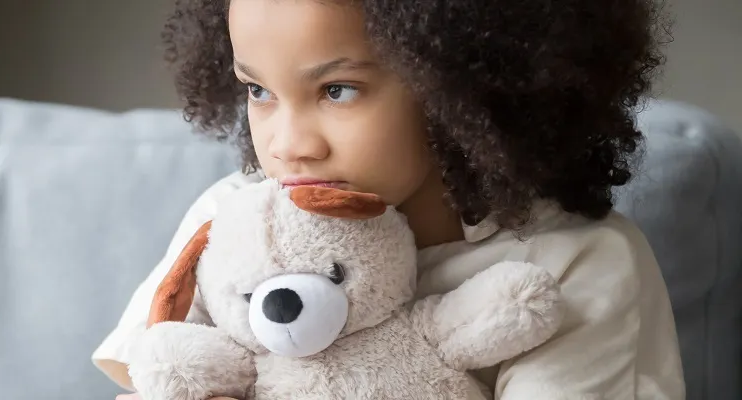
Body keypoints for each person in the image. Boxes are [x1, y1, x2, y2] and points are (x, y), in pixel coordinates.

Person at [95, 0, 685, 398]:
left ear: (459, 86)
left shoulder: (575, 263)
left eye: (337, 90)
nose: (287, 145)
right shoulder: (232, 219)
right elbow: (154, 371)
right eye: (258, 90)